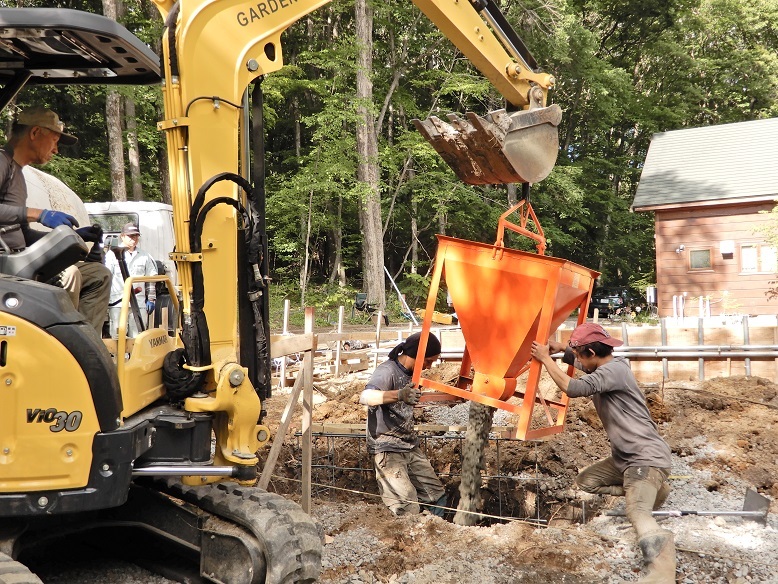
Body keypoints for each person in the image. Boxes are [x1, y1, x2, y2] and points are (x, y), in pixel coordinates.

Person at [530, 322, 674, 584]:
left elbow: (574, 388)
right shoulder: (606, 365)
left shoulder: (612, 372)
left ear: (592, 354)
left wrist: (544, 360)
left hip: (644, 457)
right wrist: (561, 347)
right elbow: (581, 360)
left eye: (579, 355)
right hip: (625, 458)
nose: (578, 360)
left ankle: (662, 572)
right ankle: (652, 488)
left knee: (638, 512)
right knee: (587, 481)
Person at [0, 106, 110, 335]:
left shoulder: (18, 174)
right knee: (69, 274)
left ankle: (88, 347)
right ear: (35, 133)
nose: (57, 150)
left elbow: (25, 235)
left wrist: (72, 240)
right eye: (55, 140)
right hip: (6, 265)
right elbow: (24, 217)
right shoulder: (2, 162)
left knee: (98, 275)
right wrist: (39, 214)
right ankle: (61, 347)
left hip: (21, 260)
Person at [359, 332, 448, 517]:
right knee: (407, 506)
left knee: (437, 497)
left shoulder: (413, 374)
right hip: (387, 448)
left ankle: (435, 535)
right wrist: (399, 395)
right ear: (417, 355)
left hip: (410, 446)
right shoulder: (387, 371)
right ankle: (410, 540)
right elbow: (365, 397)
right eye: (428, 361)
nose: (429, 367)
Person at [105, 222, 158, 338]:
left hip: (139, 303)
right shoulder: (111, 255)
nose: (133, 239)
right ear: (122, 236)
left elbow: (151, 279)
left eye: (136, 236)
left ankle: (135, 357)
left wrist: (151, 299)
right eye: (130, 236)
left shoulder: (145, 256)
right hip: (117, 303)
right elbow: (106, 278)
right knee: (118, 338)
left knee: (138, 337)